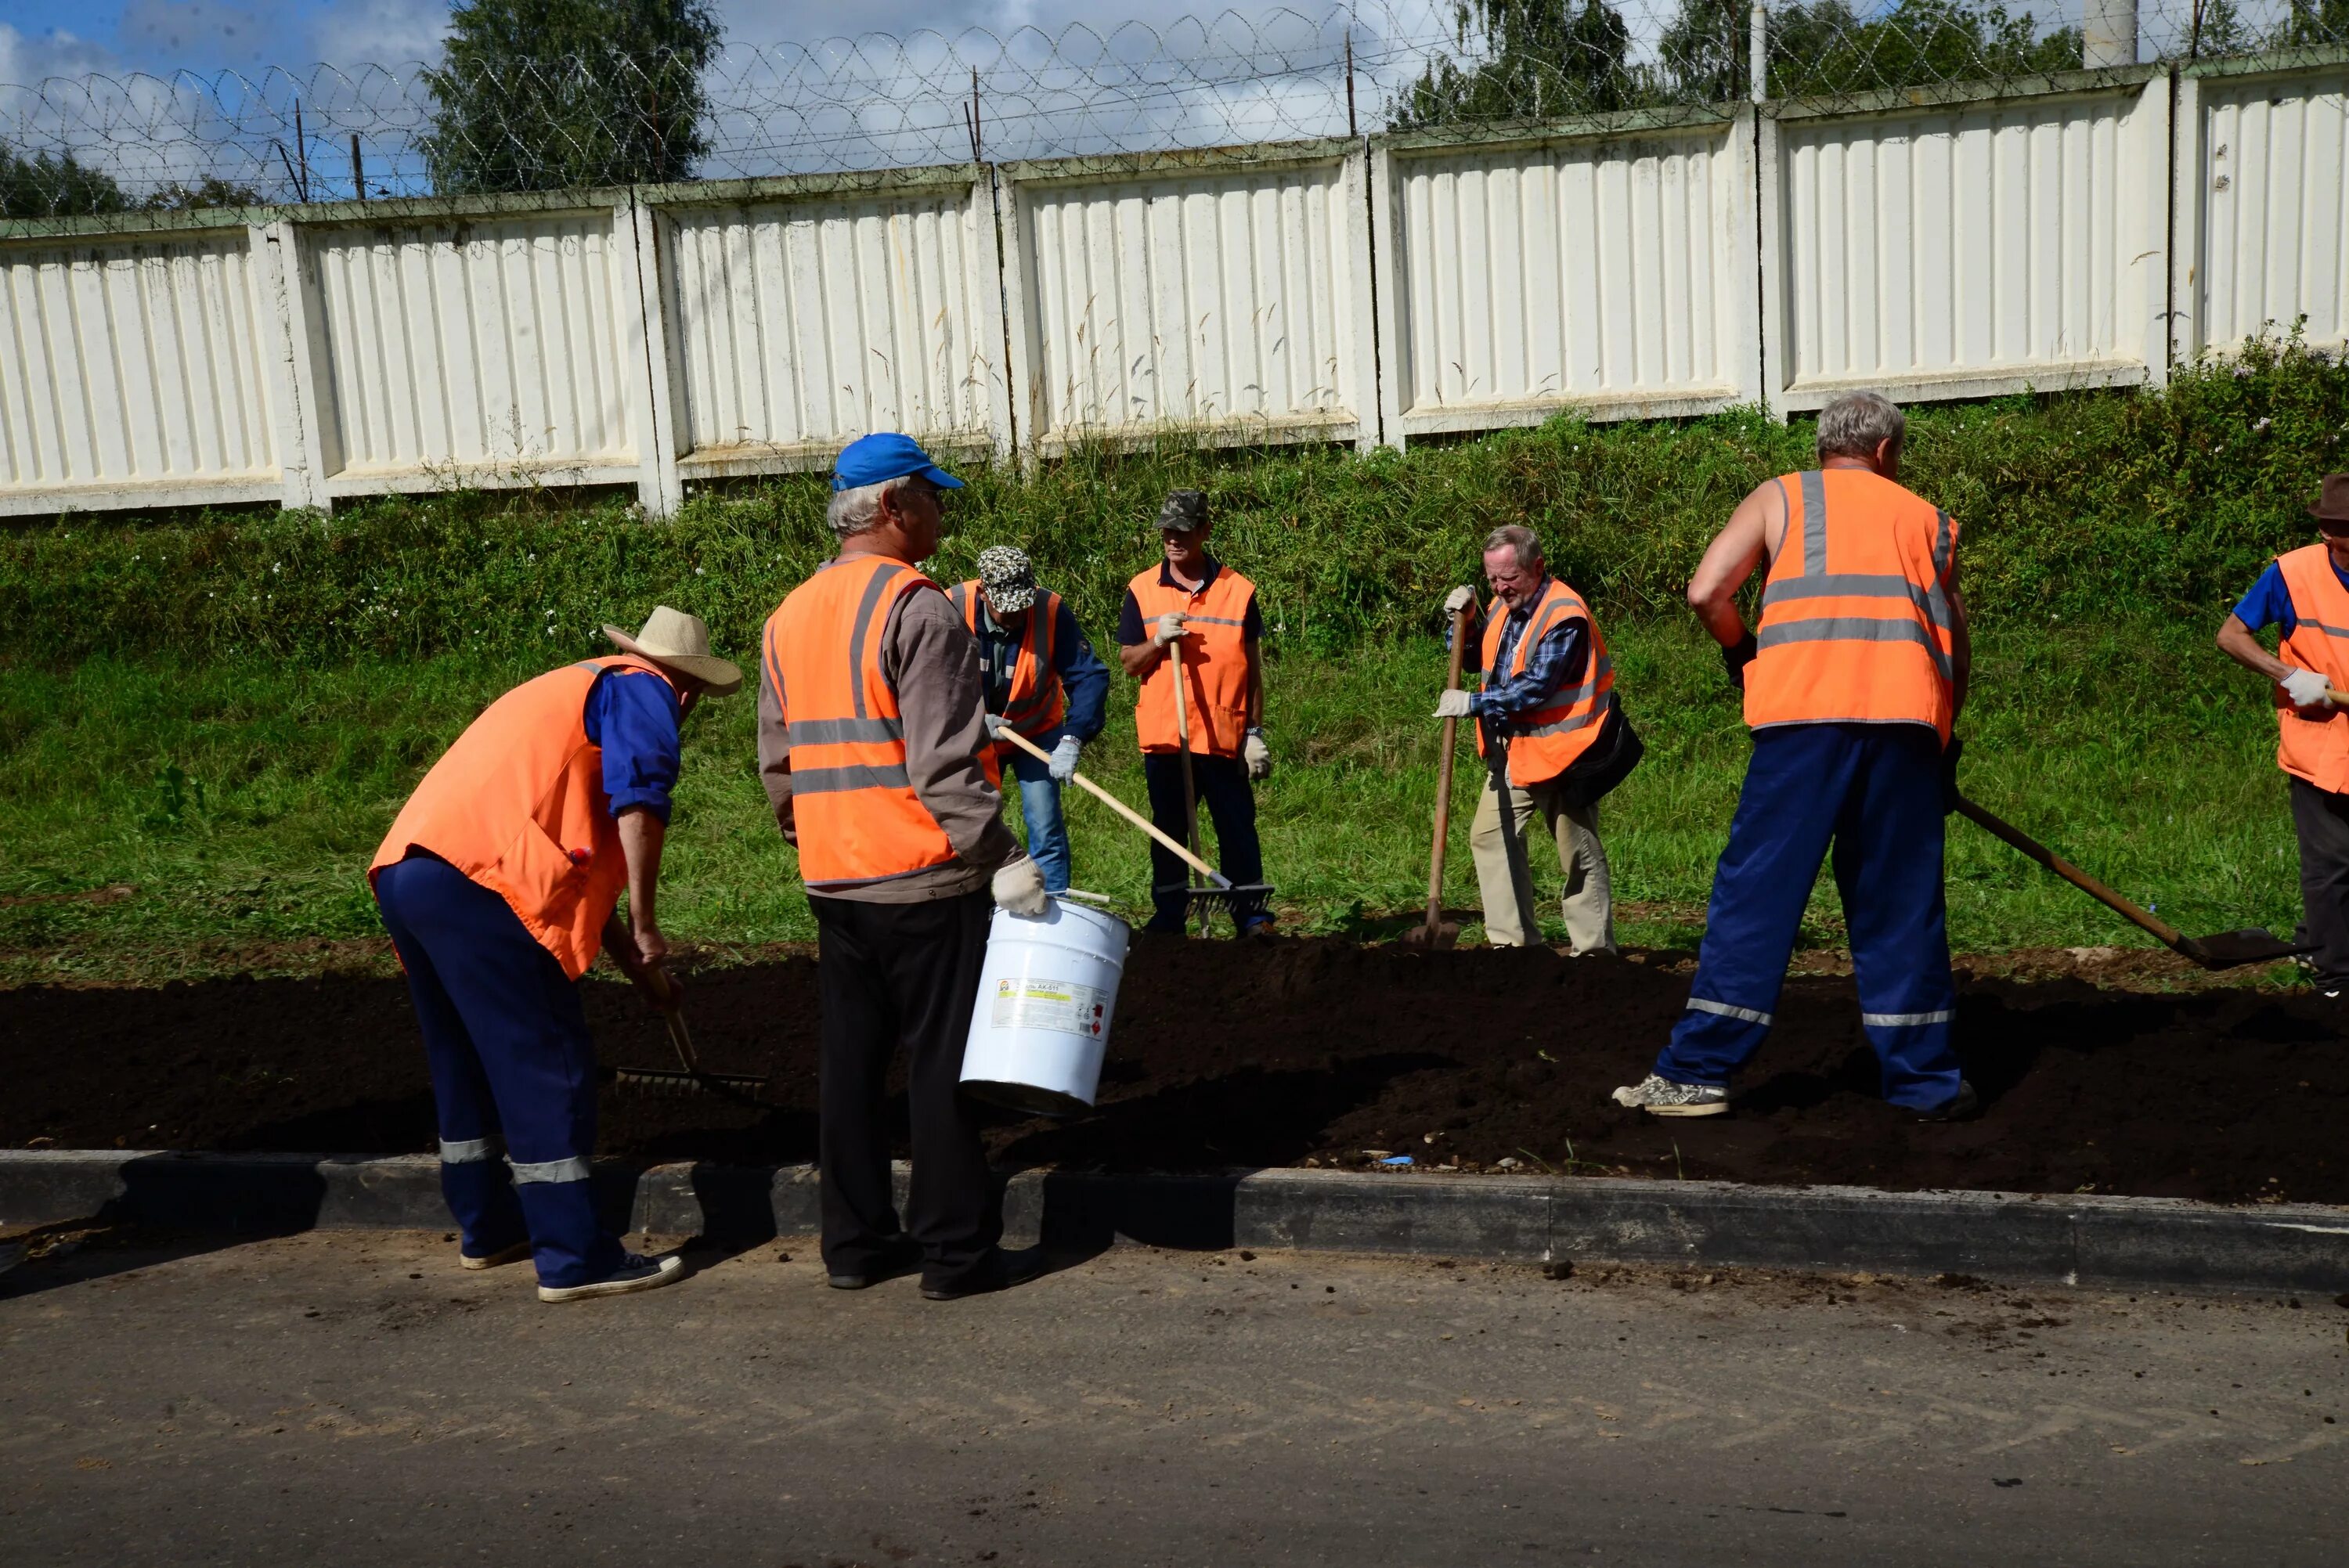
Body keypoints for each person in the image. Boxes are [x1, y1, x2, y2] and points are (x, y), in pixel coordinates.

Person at [1613, 391, 1978, 1121]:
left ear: (1825, 448)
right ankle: (1924, 1083)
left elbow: (1706, 591)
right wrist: (1940, 740)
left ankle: (1698, 1072)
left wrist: (1744, 652)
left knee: (1760, 891)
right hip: (1905, 725)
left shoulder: (1780, 498)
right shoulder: (1930, 520)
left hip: (1802, 723)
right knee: (1900, 902)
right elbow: (1955, 646)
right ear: (1884, 452)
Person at [370, 606, 741, 1303]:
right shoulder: (644, 690)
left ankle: (490, 1227)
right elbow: (640, 800)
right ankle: (574, 1256)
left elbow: (565, 847)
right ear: (688, 689)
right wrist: (648, 919)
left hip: (411, 868)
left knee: (465, 1056)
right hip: (486, 882)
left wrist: (636, 961)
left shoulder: (570, 689)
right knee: (550, 1058)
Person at [758, 432, 1049, 1302]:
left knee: (849, 1066)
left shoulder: (789, 614)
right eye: (931, 494)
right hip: (923, 879)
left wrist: (811, 835)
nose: (941, 511)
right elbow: (946, 768)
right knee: (942, 1064)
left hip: (835, 883)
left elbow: (780, 764)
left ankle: (853, 1245)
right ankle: (955, 1253)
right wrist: (1003, 858)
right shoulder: (917, 609)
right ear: (893, 506)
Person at [1434, 524, 1618, 953]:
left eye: (1509, 578)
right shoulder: (1503, 606)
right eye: (1492, 578)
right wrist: (1462, 623)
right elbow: (1476, 653)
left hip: (1563, 752)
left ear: (1537, 567)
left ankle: (1594, 953)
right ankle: (1513, 946)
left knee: (1577, 848)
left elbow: (1536, 686)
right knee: (1490, 836)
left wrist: (1474, 704)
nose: (1499, 588)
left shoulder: (1564, 614)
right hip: (1515, 751)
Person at [1115, 488, 1274, 935]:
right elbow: (1130, 662)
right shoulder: (1142, 590)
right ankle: (1170, 919)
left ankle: (1252, 915)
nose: (1173, 539)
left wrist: (1255, 732)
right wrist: (1157, 642)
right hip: (1168, 739)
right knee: (1169, 834)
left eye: (1182, 530)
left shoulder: (1238, 592)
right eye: (1167, 531)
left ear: (1204, 531)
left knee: (1237, 829)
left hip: (1224, 737)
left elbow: (1252, 672)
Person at [2215, 473, 2349, 998]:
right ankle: (2337, 980)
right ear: (2328, 534)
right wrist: (2287, 675)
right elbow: (2231, 636)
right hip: (2319, 748)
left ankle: (2315, 940)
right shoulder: (2292, 574)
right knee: (2332, 866)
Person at [946, 545, 1112, 893]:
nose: (1015, 614)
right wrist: (972, 722)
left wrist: (1074, 737)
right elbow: (930, 683)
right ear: (984, 593)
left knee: (1045, 824)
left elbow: (1088, 676)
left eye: (1021, 605)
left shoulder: (1051, 611)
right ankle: (976, 912)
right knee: (971, 825)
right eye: (1005, 607)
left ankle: (1052, 912)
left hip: (1035, 733)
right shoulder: (950, 608)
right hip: (972, 737)